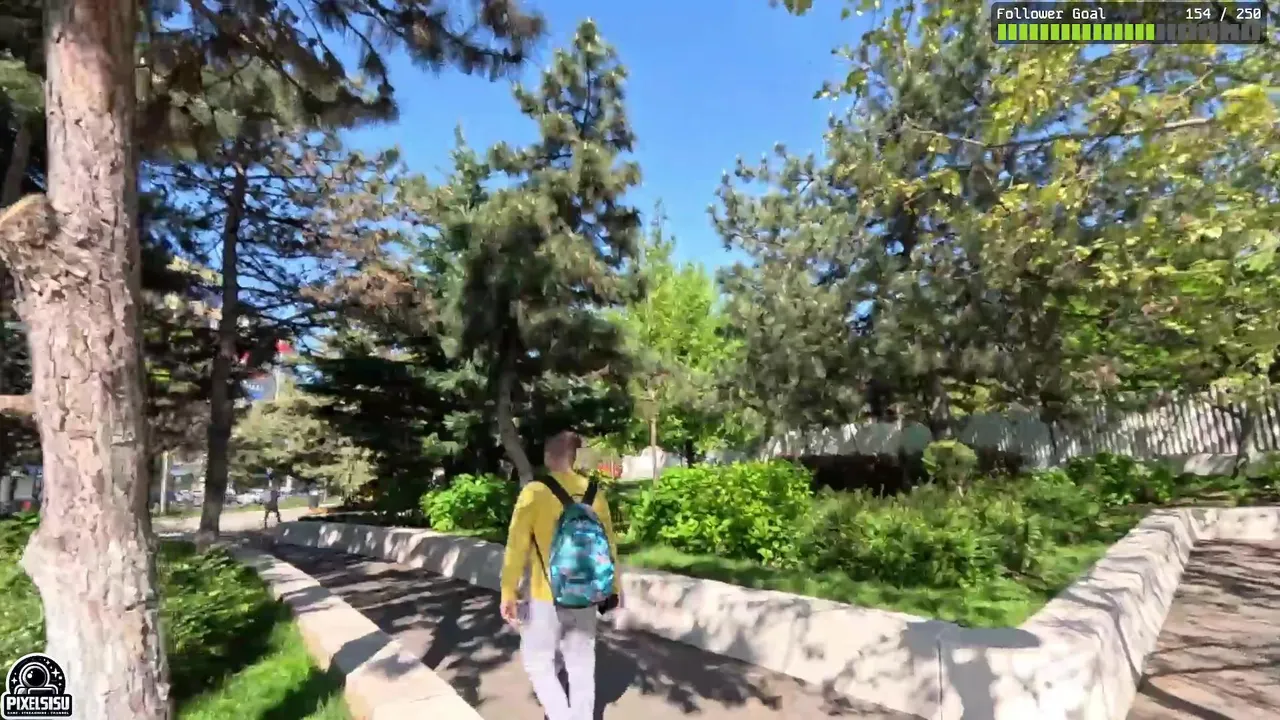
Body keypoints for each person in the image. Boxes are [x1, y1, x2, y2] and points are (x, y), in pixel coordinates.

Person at [499, 430, 622, 720]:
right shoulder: (594, 493)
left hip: (545, 595)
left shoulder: (535, 492)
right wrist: (613, 589)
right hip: (587, 594)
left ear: (547, 457)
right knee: (581, 666)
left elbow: (516, 546)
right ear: (573, 457)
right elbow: (610, 547)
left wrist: (508, 591)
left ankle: (560, 715)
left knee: (537, 662)